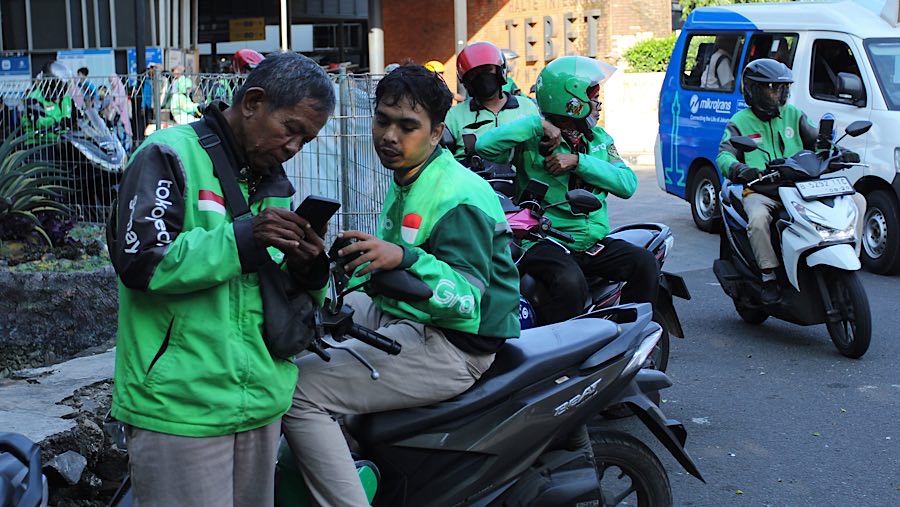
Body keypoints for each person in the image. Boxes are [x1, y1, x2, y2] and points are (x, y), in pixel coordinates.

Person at [282, 64, 520, 506]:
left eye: (408, 126)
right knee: (290, 344)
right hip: (408, 312)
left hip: (455, 343)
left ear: (435, 133)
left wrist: (404, 257)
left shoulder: (455, 197)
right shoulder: (411, 176)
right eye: (383, 120)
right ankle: (350, 454)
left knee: (296, 392)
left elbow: (467, 300)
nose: (390, 136)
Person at [106, 51, 336, 507]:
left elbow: (269, 290)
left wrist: (309, 267)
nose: (294, 148)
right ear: (252, 102)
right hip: (178, 409)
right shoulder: (166, 154)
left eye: (305, 141)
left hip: (259, 404)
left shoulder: (272, 181)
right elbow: (141, 261)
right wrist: (242, 239)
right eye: (290, 130)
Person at [476, 55, 659, 326]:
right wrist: (537, 125)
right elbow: (484, 146)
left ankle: (630, 338)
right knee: (569, 283)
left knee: (644, 263)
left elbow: (627, 184)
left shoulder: (599, 139)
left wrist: (578, 162)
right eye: (592, 96)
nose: (598, 103)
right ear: (572, 102)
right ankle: (560, 354)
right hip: (544, 241)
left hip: (590, 242)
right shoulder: (532, 140)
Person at [717, 58, 867, 304]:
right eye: (772, 88)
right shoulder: (739, 123)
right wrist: (739, 168)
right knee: (757, 219)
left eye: (782, 88)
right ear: (754, 90)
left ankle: (850, 256)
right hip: (763, 190)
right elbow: (724, 154)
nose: (779, 93)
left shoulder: (793, 115)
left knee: (857, 201)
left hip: (801, 187)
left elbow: (817, 140)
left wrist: (838, 152)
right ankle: (769, 276)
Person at [443, 41, 540, 169]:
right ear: (466, 81)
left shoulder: (526, 107)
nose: (482, 77)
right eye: (474, 74)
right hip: (473, 185)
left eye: (487, 70)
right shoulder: (453, 116)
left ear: (500, 72)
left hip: (521, 184)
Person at [23, 61, 77, 146]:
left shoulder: (66, 98)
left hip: (63, 140)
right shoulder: (34, 98)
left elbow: (75, 115)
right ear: (50, 83)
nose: (64, 86)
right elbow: (39, 122)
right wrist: (59, 122)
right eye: (60, 84)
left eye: (65, 84)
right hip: (39, 144)